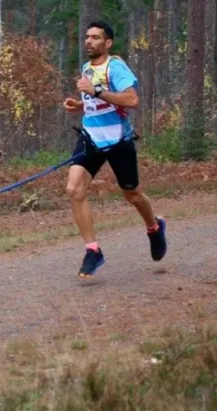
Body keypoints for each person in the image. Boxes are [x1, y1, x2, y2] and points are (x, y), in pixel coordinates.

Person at [62, 20, 167, 280]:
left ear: (108, 43)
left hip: (118, 140)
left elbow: (131, 100)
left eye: (96, 37)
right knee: (74, 189)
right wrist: (79, 104)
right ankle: (93, 250)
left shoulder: (115, 67)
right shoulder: (87, 68)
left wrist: (96, 90)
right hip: (91, 138)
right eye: (87, 37)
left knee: (132, 194)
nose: (89, 41)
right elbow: (98, 102)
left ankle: (154, 227)